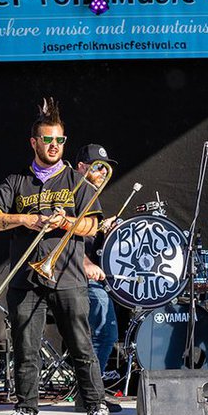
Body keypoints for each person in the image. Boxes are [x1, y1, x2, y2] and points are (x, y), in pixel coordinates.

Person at [0, 99, 112, 415]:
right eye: (48, 140)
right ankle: (26, 409)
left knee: (81, 344)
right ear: (34, 143)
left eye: (59, 141)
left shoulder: (77, 182)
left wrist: (66, 222)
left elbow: (92, 226)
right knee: (26, 348)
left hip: (68, 276)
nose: (54, 146)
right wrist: (25, 219)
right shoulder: (16, 182)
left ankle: (97, 407)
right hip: (27, 279)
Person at [76, 143, 119, 381]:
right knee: (104, 332)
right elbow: (67, 235)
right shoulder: (79, 192)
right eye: (98, 167)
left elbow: (84, 236)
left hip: (79, 273)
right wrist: (85, 263)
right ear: (81, 167)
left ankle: (90, 388)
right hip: (74, 273)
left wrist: (104, 230)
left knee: (100, 332)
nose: (103, 173)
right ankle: (91, 390)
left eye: (105, 168)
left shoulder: (90, 196)